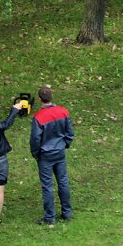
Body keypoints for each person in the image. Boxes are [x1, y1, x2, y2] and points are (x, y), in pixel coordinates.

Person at [30, 85, 74, 226]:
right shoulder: (63, 112)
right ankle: (67, 213)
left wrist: (36, 154)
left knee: (47, 185)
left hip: (45, 155)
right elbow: (69, 131)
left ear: (39, 99)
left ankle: (50, 217)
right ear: (51, 96)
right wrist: (65, 144)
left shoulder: (38, 118)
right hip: (59, 151)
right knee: (63, 181)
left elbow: (35, 139)